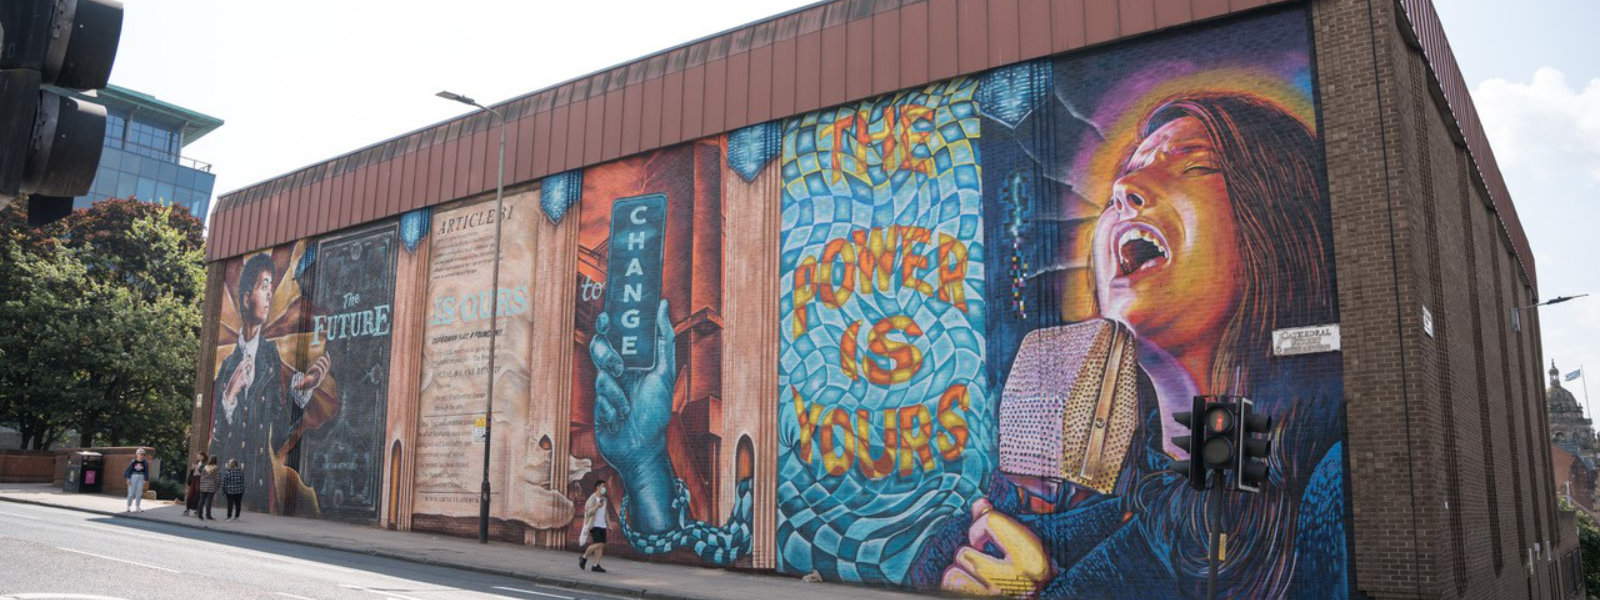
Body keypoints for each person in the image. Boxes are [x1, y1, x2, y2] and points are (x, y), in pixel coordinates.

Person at [923, 92, 1345, 599]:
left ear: (1279, 227)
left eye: (1195, 166)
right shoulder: (1123, 479)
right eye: (1124, 178)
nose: (1122, 189)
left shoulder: (1327, 484)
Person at [211, 253, 329, 513]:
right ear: (246, 298)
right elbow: (216, 441)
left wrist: (301, 394)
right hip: (225, 488)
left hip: (260, 490)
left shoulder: (269, 357)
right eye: (263, 287)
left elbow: (278, 435)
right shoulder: (228, 367)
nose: (269, 295)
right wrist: (228, 397)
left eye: (271, 288)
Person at [578, 480, 610, 573]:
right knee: (599, 543)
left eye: (604, 487)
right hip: (594, 525)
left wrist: (608, 524)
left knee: (600, 546)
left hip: (602, 525)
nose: (604, 488)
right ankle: (584, 557)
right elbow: (588, 512)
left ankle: (596, 565)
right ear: (597, 487)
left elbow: (605, 513)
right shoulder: (592, 499)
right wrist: (597, 506)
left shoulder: (604, 499)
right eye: (603, 486)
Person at [183, 451, 208, 517]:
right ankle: (187, 510)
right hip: (194, 479)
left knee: (197, 495)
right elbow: (192, 471)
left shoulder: (205, 464)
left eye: (200, 456)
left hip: (200, 479)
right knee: (190, 494)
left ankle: (197, 510)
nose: (198, 457)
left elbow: (203, 473)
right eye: (198, 456)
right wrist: (192, 469)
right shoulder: (196, 462)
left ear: (203, 456)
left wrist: (196, 468)